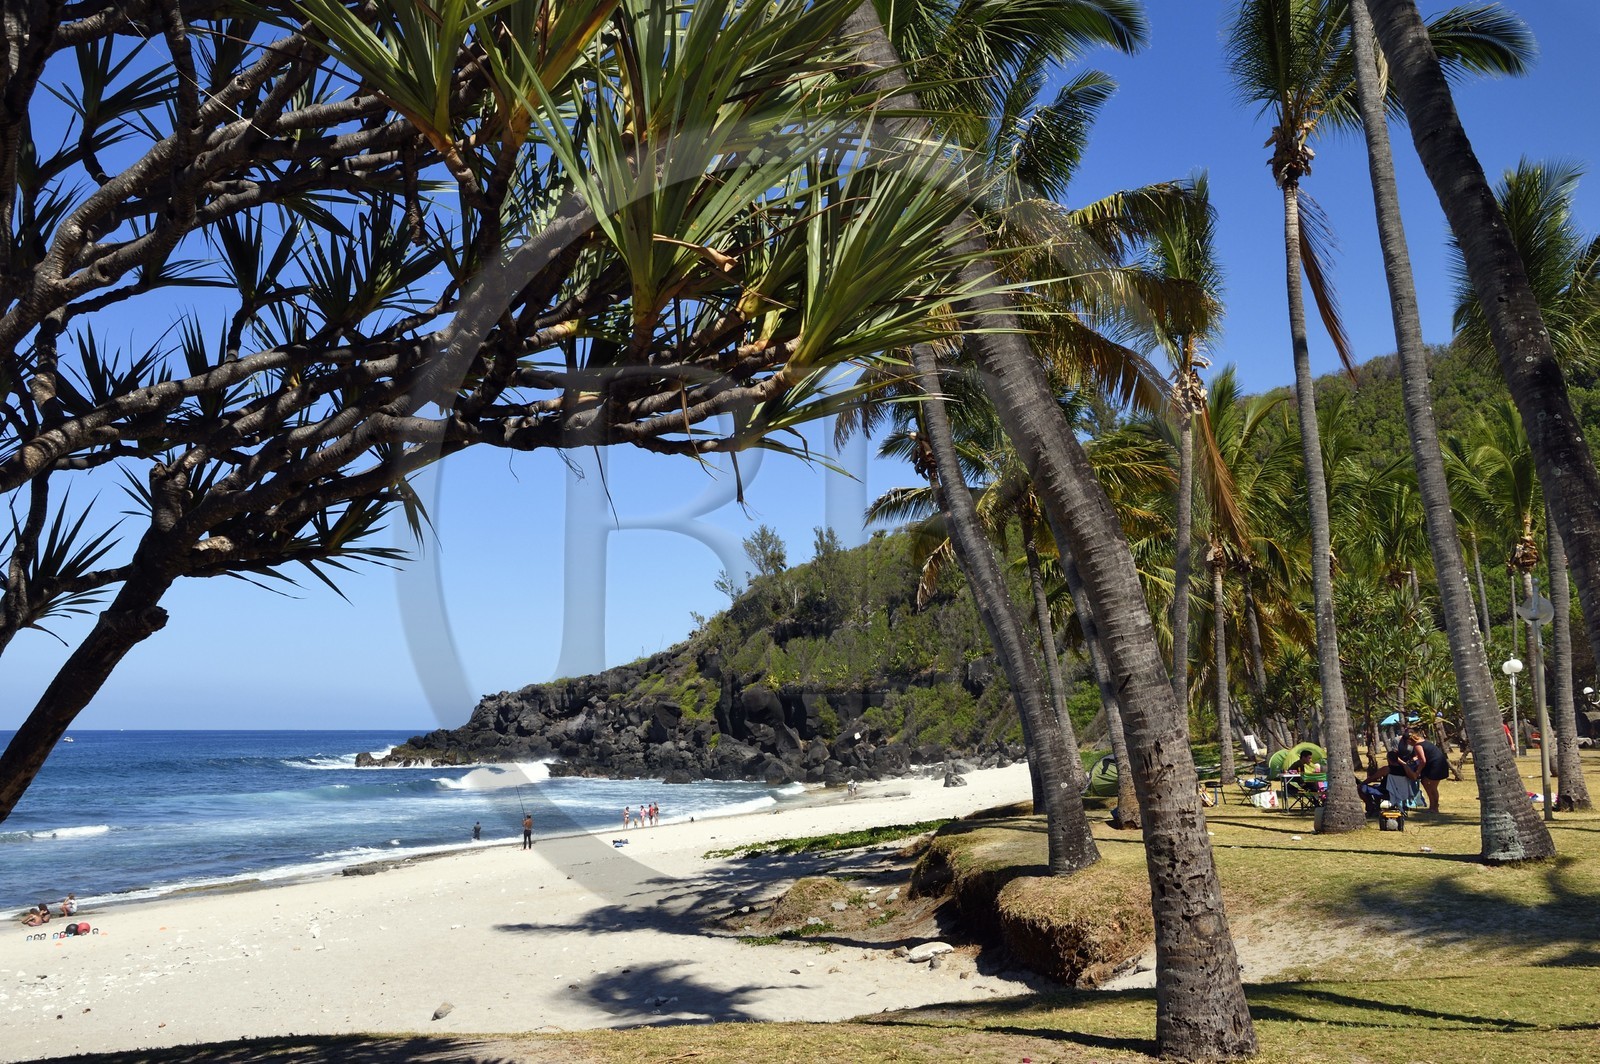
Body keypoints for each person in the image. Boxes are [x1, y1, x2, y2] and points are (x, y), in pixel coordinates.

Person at [1410, 728, 1450, 813]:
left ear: (1410, 741)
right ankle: (1433, 806)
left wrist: (1417, 772)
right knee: (1425, 782)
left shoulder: (1417, 746)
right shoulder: (1425, 742)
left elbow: (1423, 761)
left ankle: (1434, 808)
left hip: (1436, 766)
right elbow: (1422, 756)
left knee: (1432, 788)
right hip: (1438, 764)